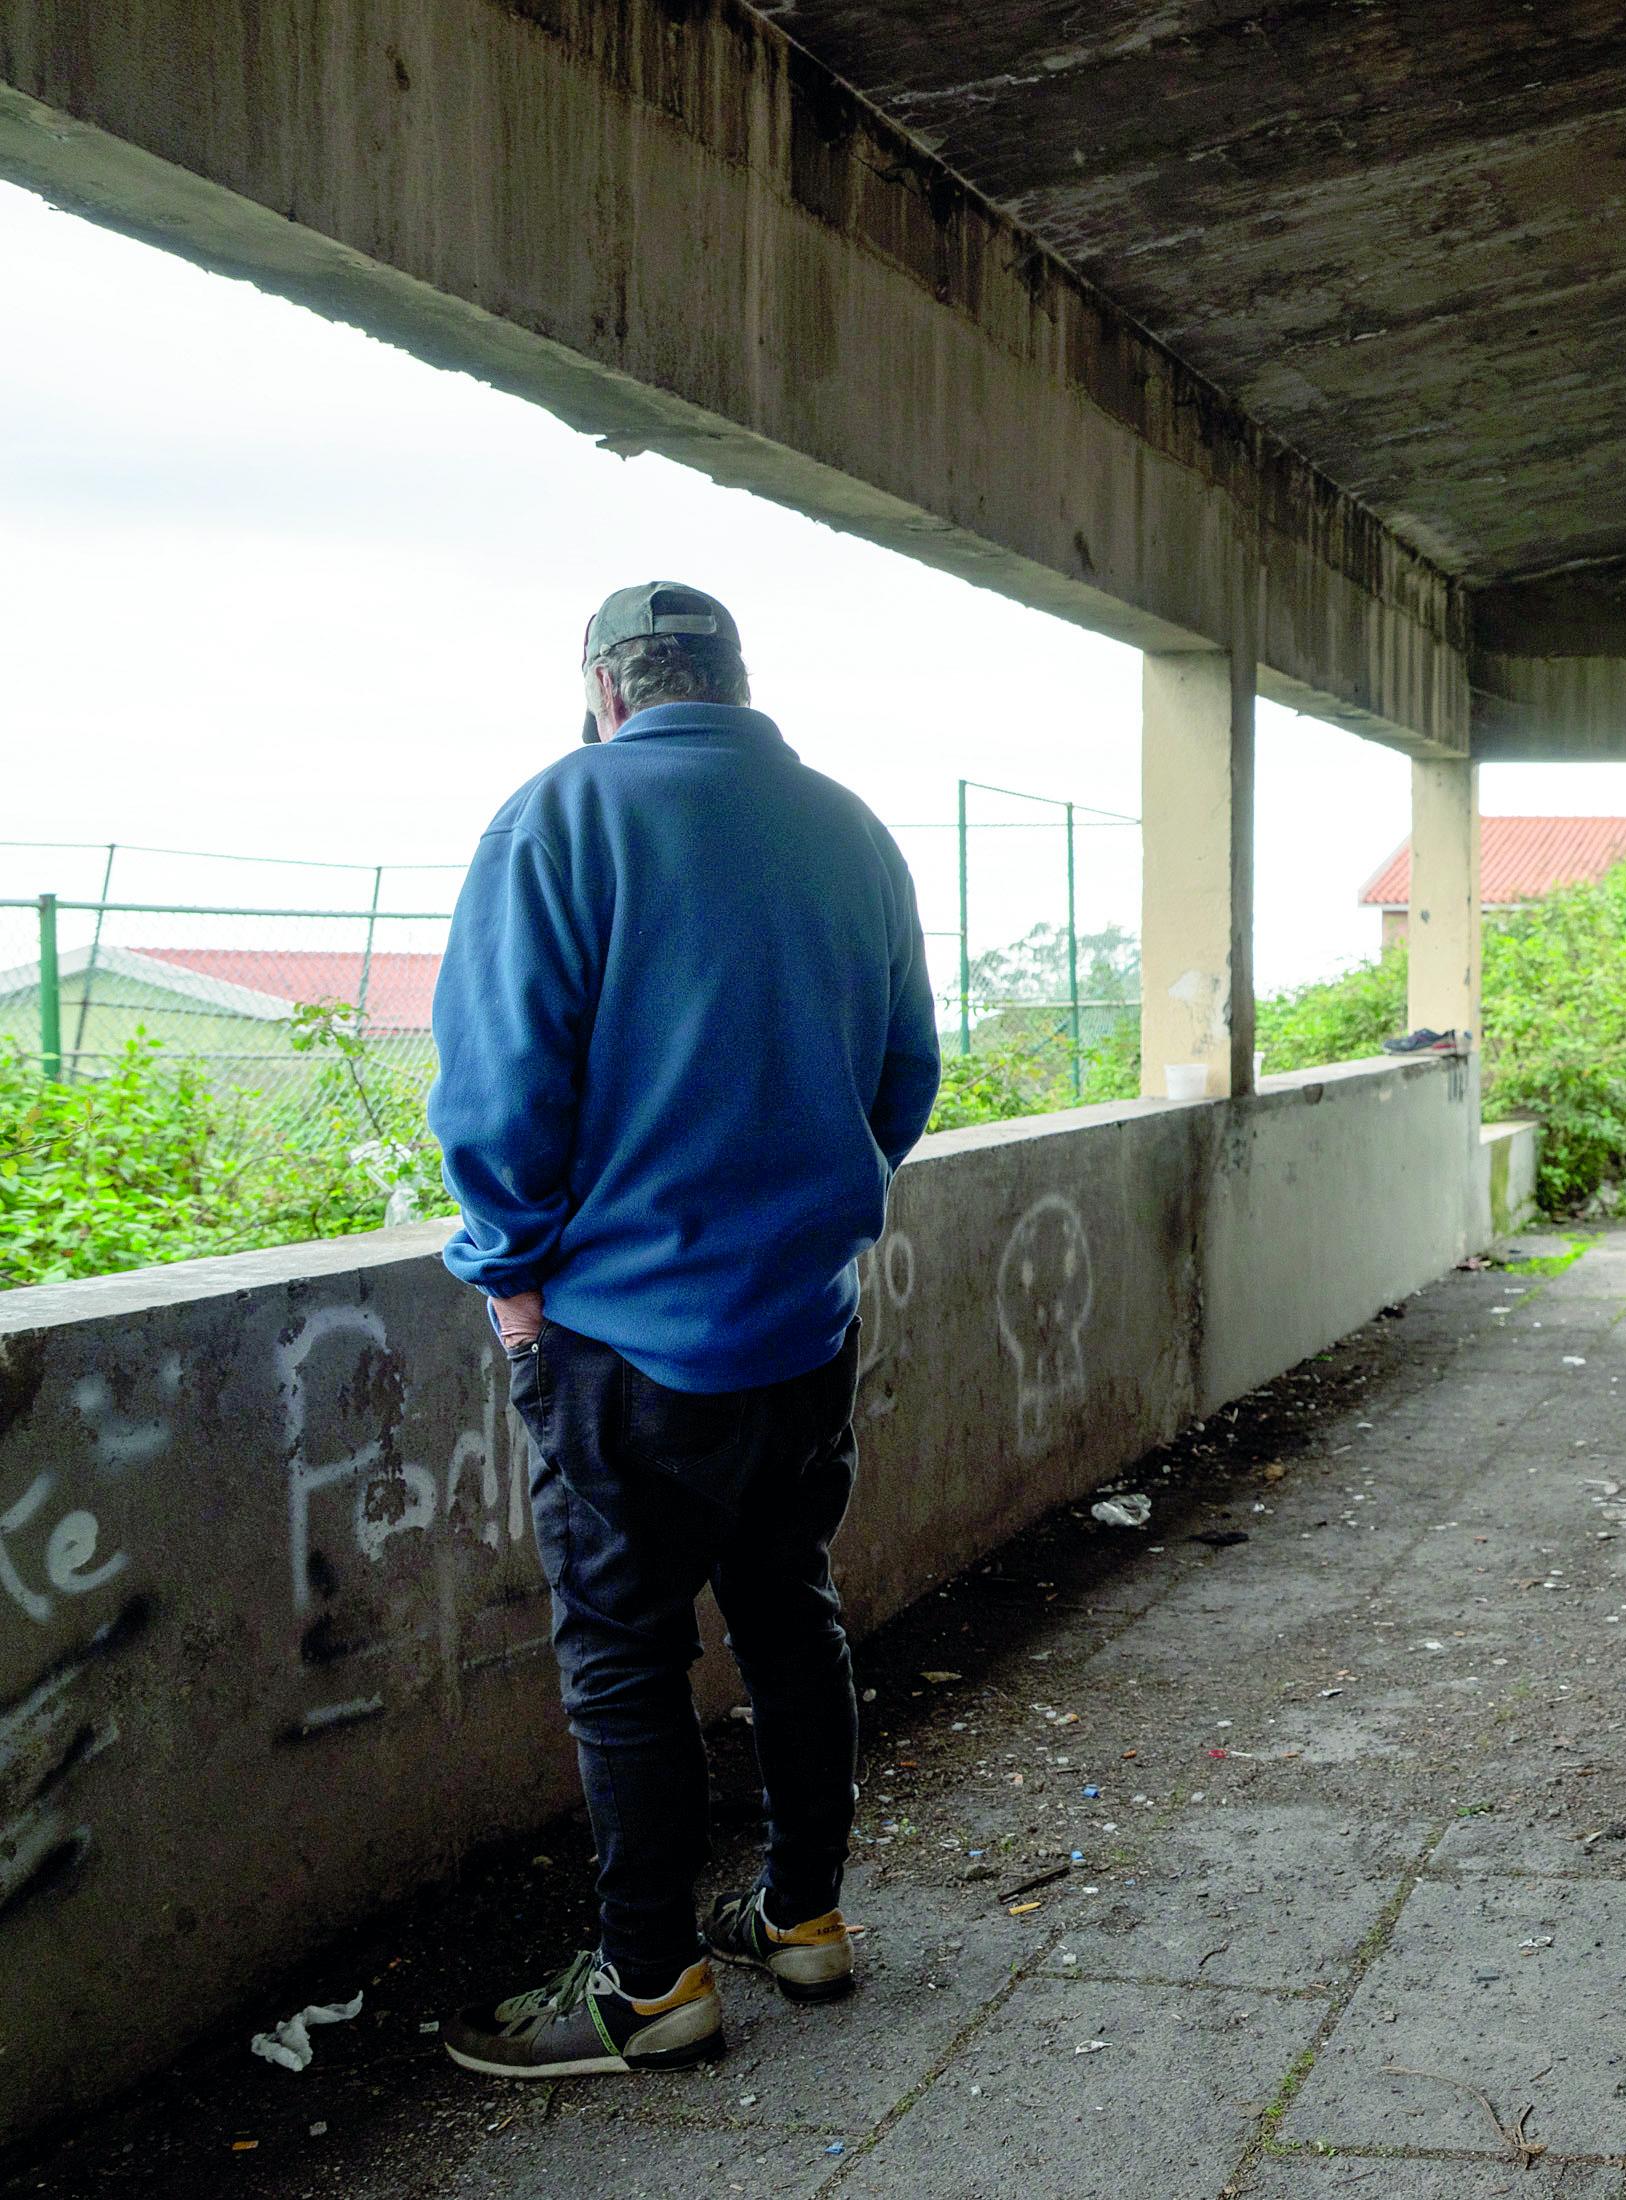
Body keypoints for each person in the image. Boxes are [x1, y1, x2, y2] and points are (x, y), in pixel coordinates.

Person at [428, 583, 939, 2077]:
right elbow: (902, 1073)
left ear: (603, 686)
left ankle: (648, 1989)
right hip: (802, 1329)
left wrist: (511, 1280)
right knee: (791, 1611)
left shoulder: (558, 817)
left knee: (625, 1655)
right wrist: (814, 1217)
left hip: (616, 1342)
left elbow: (498, 1086)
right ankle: (802, 1920)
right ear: (737, 677)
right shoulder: (850, 827)